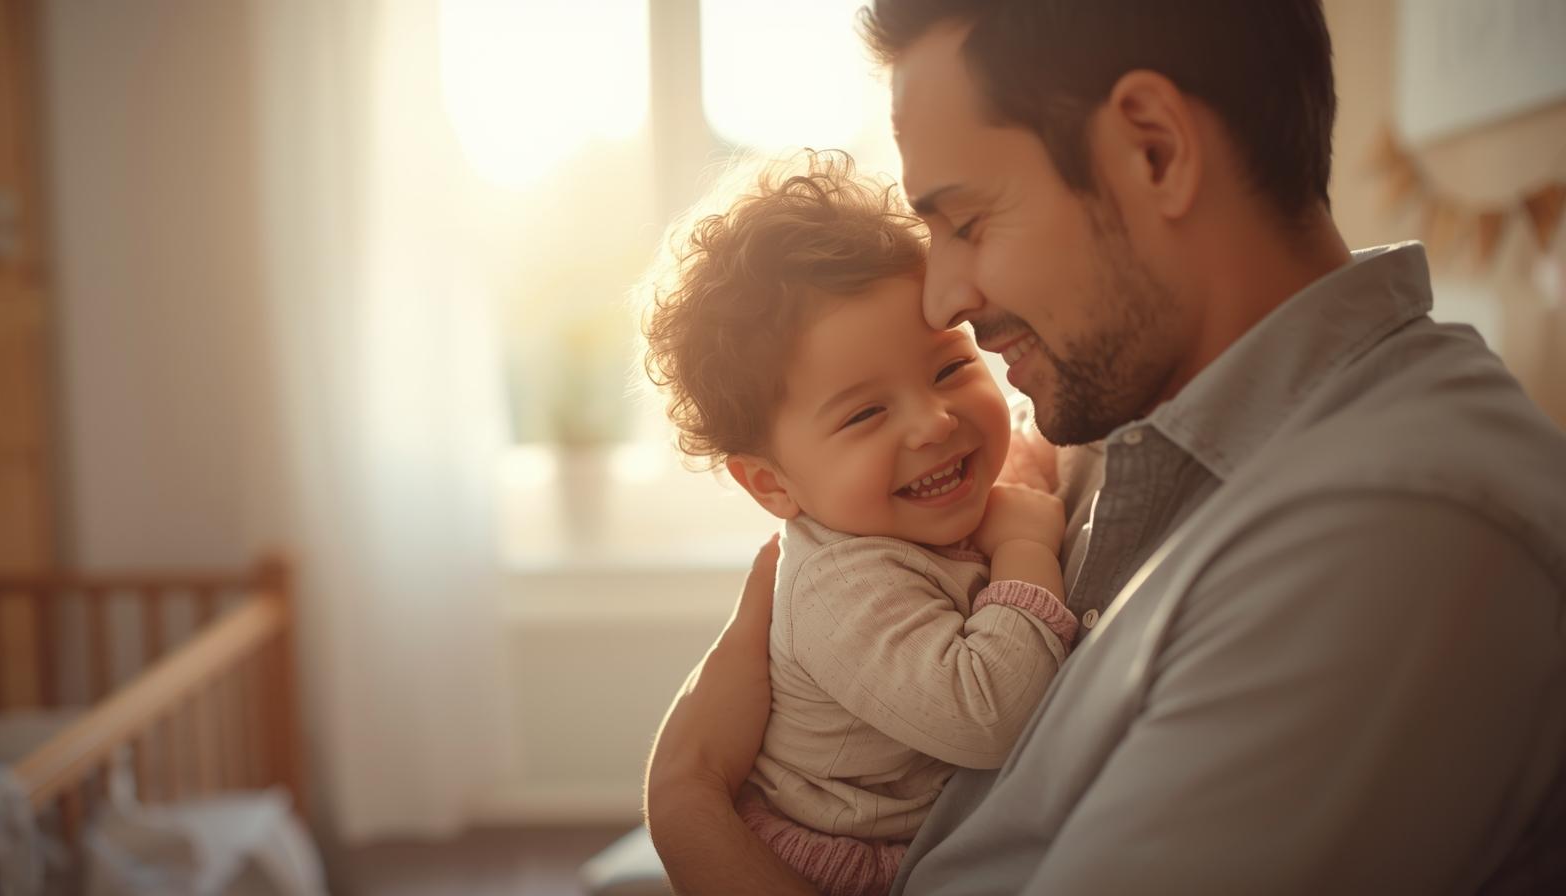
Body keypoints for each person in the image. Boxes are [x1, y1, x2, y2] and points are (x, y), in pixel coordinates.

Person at [644, 0, 1566, 893]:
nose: (941, 298)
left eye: (965, 222)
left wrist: (688, 803)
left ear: (1153, 151)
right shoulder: (1133, 421)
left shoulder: (1392, 531)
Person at [640, 151, 1077, 896]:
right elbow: (988, 716)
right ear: (772, 483)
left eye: (950, 370)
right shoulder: (839, 580)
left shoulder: (921, 505)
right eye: (867, 412)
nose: (936, 423)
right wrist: (1028, 547)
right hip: (832, 866)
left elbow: (1037, 455)